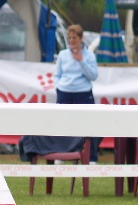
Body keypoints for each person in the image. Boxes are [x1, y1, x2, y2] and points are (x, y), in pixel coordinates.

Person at [54, 24, 99, 164]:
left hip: (83, 93)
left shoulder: (89, 55)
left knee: (88, 125)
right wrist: (59, 86)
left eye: (74, 37)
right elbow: (57, 74)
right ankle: (61, 154)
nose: (72, 40)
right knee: (62, 124)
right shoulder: (62, 55)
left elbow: (93, 75)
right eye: (70, 37)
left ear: (80, 38)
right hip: (65, 92)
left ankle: (91, 157)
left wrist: (81, 61)